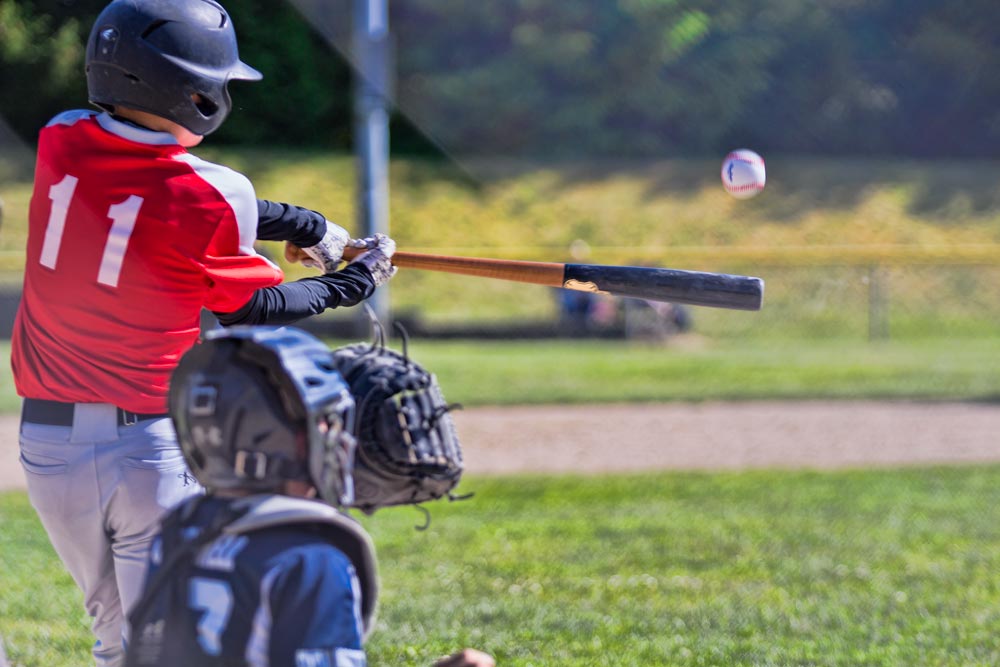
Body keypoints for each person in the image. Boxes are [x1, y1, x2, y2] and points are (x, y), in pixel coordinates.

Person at [11, 1, 395, 665]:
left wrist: (311, 227)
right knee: (151, 646)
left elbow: (169, 195)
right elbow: (258, 308)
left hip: (45, 446)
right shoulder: (214, 194)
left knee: (120, 633)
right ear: (193, 92)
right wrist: (357, 282)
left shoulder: (61, 136)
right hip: (146, 448)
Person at [125, 326, 493, 667]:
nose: (339, 435)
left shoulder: (184, 528)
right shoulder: (309, 561)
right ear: (275, 439)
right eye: (326, 420)